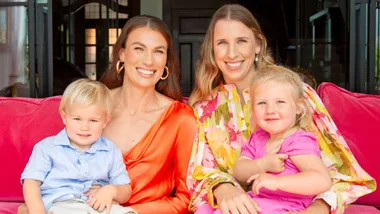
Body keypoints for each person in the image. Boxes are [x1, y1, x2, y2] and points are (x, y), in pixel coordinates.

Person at [187, 4, 375, 214]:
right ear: (212, 50)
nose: (232, 53)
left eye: (242, 41)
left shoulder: (296, 94)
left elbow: (344, 176)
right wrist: (222, 189)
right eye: (222, 43)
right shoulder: (204, 110)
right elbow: (199, 174)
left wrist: (316, 209)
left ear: (258, 45)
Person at [19, 15, 197, 214]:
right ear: (122, 53)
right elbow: (56, 170)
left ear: (166, 61)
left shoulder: (181, 118)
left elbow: (186, 198)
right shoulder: (91, 105)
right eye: (139, 48)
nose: (148, 60)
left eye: (158, 51)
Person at [212, 65, 331, 214]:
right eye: (262, 103)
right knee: (209, 209)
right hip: (259, 201)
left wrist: (277, 182)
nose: (270, 110)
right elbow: (239, 171)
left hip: (287, 207)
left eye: (280, 102)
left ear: (299, 107)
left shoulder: (298, 141)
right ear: (253, 109)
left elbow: (322, 180)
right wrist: (262, 164)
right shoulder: (258, 137)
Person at [21, 78, 135, 214]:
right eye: (77, 119)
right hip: (62, 204)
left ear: (105, 121)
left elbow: (126, 190)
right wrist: (37, 211)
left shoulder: (110, 150)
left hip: (97, 204)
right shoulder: (46, 148)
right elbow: (31, 182)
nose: (84, 127)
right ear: (64, 117)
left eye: (93, 120)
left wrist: (111, 191)